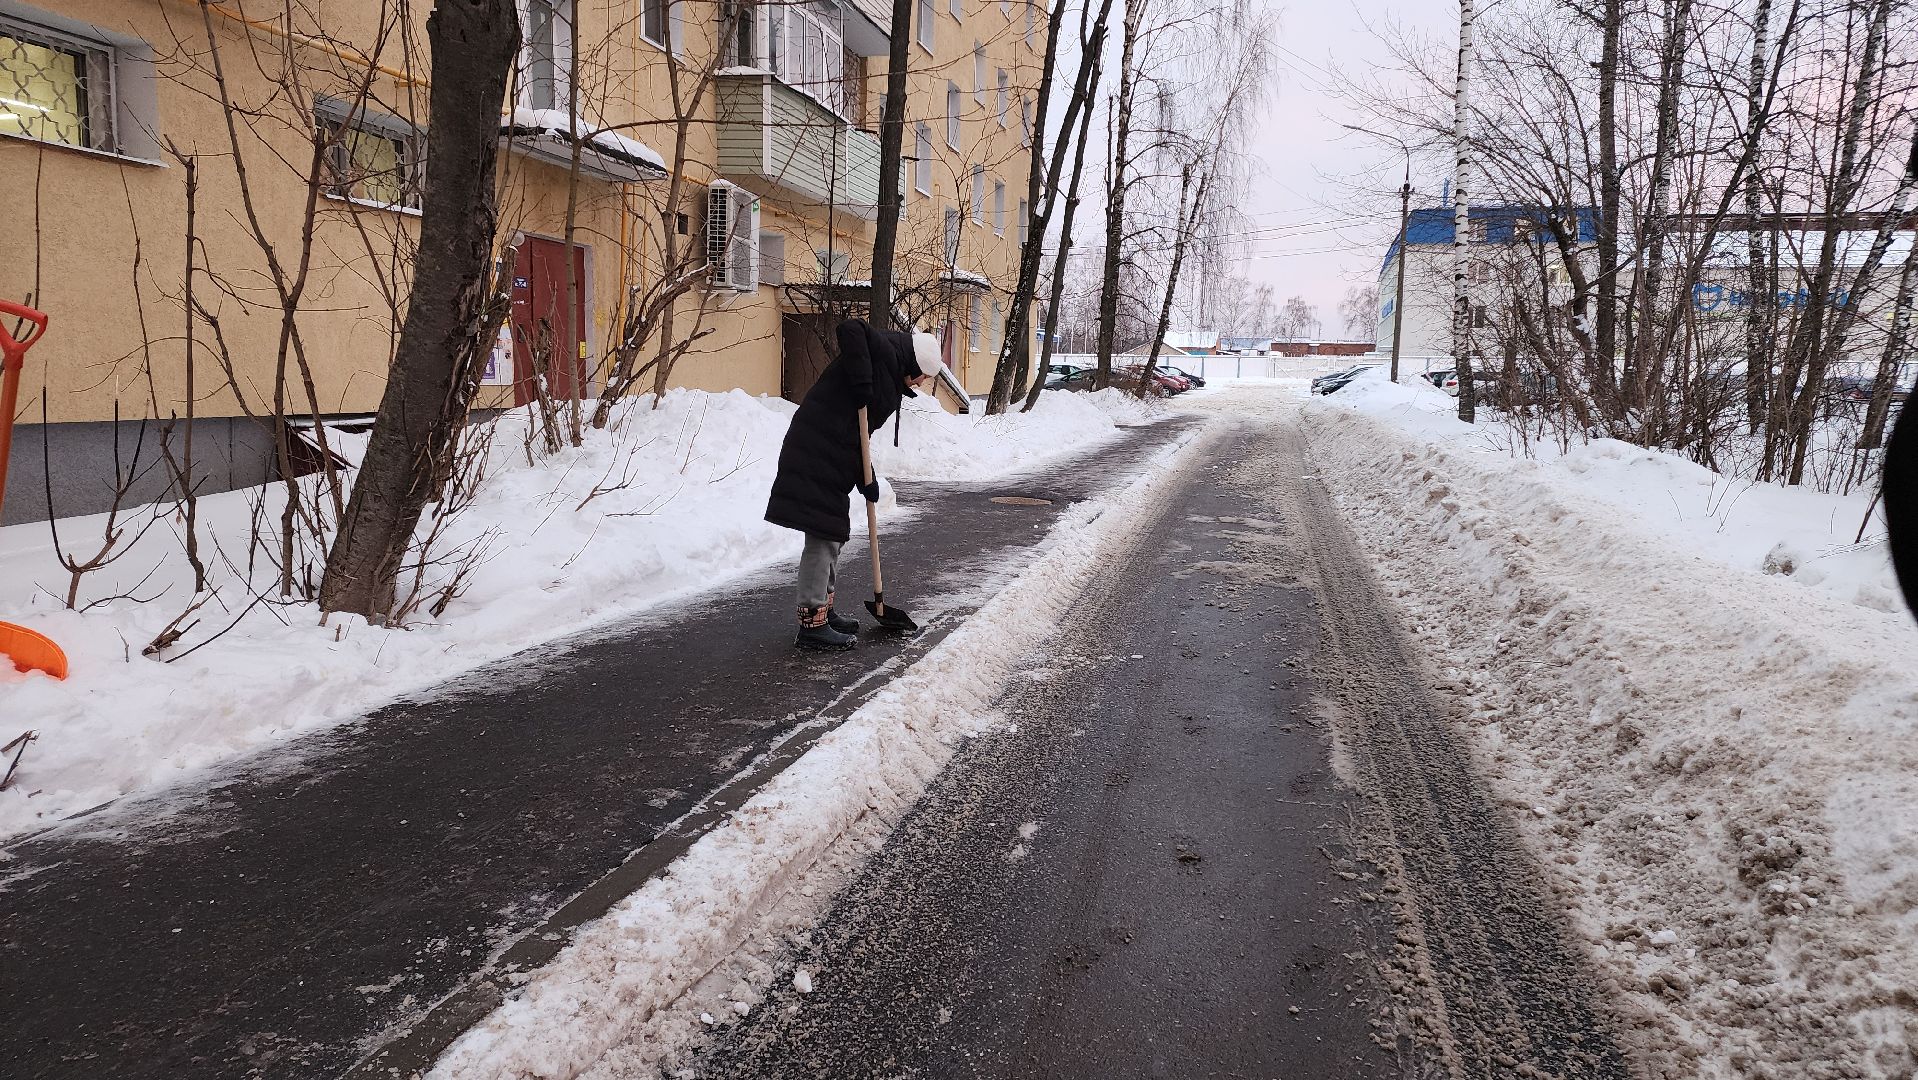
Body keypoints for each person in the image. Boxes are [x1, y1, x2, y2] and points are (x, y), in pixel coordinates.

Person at [766, 319, 942, 650]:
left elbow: (859, 435)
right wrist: (862, 378)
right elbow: (851, 328)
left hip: (831, 452)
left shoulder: (890, 374)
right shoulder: (883, 353)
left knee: (832, 535)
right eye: (923, 378)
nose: (919, 384)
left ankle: (823, 612)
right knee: (823, 536)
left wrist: (868, 479)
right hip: (816, 450)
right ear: (915, 366)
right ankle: (811, 625)